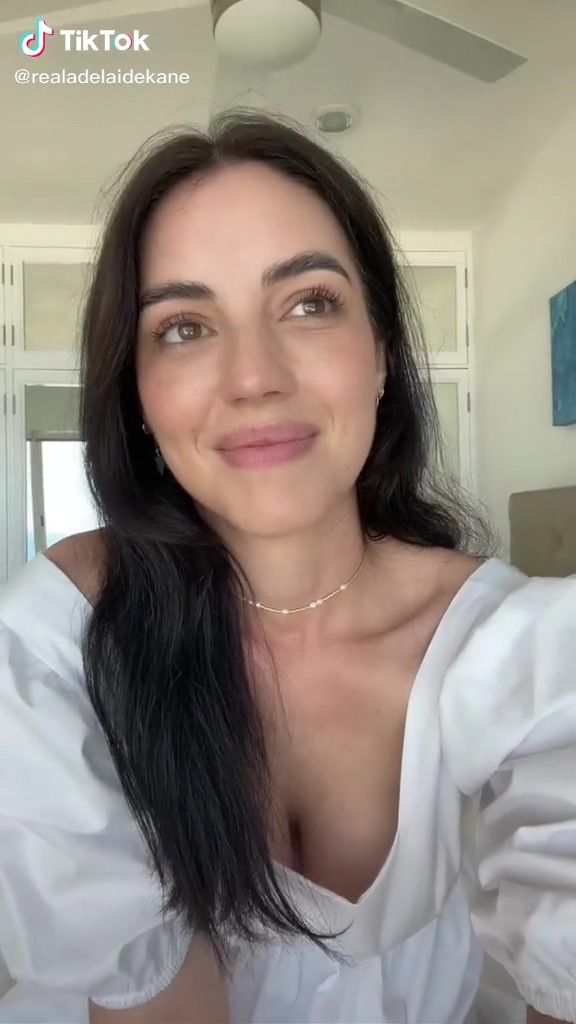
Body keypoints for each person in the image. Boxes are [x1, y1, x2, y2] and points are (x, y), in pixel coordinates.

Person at [0, 109, 574, 1024]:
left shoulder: (526, 650)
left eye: (309, 303)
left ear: (382, 353)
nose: (254, 377)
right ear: (137, 392)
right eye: (184, 326)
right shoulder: (55, 643)